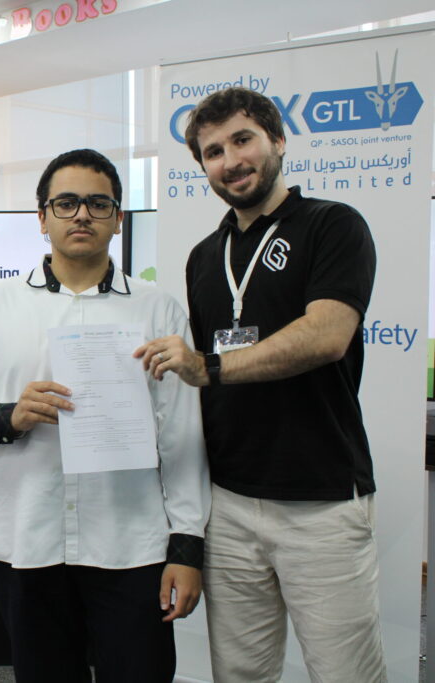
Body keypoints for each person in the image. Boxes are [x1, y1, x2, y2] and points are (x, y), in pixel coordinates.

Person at [134, 87, 384, 682]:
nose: (231, 160)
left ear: (277, 140)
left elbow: (327, 335)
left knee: (345, 674)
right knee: (240, 674)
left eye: (242, 140)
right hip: (229, 502)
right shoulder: (204, 256)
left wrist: (211, 367)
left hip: (321, 500)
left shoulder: (333, 224)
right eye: (213, 152)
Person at [0, 149, 210, 683]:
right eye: (66, 203)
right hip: (28, 543)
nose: (82, 214)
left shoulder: (157, 309)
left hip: (132, 546)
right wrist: (9, 415)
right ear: (42, 217)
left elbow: (181, 434)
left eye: (98, 204)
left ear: (118, 218)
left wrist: (187, 547)